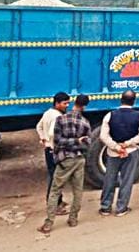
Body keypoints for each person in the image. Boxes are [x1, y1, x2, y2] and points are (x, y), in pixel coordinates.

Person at [38, 94, 91, 234]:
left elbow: (57, 141)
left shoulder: (61, 120)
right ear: (85, 106)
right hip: (79, 159)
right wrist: (78, 142)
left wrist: (58, 156)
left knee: (55, 190)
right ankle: (73, 219)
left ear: (74, 103)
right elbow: (88, 144)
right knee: (77, 191)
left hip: (64, 159)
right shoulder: (85, 122)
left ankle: (48, 224)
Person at [99, 90, 139, 217]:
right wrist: (127, 144)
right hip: (131, 151)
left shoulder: (110, 115)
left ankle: (105, 207)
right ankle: (121, 208)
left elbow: (103, 136)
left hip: (112, 152)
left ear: (121, 100)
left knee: (109, 179)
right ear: (134, 101)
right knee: (126, 180)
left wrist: (116, 147)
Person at [36, 92, 70, 216]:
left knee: (53, 176)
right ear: (57, 103)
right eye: (64, 103)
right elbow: (52, 133)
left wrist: (43, 139)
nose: (66, 105)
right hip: (55, 150)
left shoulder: (47, 113)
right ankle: (54, 205)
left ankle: (58, 201)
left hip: (48, 149)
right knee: (57, 179)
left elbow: (38, 127)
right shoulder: (57, 116)